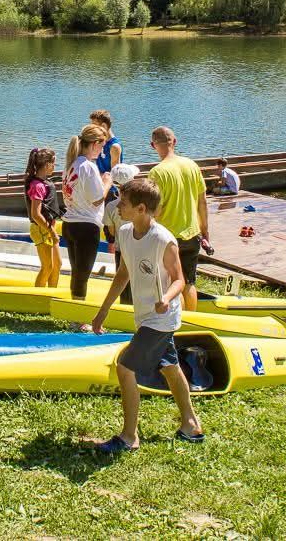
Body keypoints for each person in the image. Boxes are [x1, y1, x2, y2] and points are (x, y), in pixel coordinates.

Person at [90, 178, 204, 453]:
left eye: (123, 202)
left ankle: (129, 437)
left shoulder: (163, 239)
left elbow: (179, 279)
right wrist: (103, 311)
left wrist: (166, 298)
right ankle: (191, 425)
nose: (117, 206)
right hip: (144, 316)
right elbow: (123, 273)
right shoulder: (125, 232)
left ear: (141, 208)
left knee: (125, 367)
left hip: (161, 318)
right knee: (170, 367)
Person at [148, 125, 209, 311]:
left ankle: (177, 320)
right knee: (189, 282)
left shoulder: (157, 172)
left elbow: (156, 210)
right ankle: (192, 319)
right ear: (174, 141)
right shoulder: (192, 165)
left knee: (173, 283)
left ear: (153, 145)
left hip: (167, 237)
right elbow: (202, 202)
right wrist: (205, 231)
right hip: (192, 233)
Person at [62, 123, 113, 323]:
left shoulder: (72, 164)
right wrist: (107, 182)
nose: (102, 151)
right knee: (82, 274)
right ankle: (79, 320)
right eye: (102, 146)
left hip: (70, 223)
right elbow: (97, 199)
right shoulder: (88, 166)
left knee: (77, 271)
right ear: (93, 144)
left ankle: (75, 313)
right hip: (86, 225)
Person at [24, 147, 63, 288]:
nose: (54, 166)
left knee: (57, 265)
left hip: (48, 228)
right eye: (53, 163)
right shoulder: (37, 186)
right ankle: (37, 296)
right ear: (47, 165)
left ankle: (51, 294)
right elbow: (36, 214)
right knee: (47, 267)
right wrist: (52, 232)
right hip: (42, 229)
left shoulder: (44, 182)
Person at [104, 163, 140, 305]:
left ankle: (125, 306)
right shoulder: (140, 204)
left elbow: (111, 231)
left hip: (121, 248)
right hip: (140, 247)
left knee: (122, 282)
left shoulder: (111, 206)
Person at [90, 109, 122, 174]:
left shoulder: (114, 146)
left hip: (108, 180)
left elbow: (114, 175)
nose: (92, 129)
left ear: (104, 126)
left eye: (94, 126)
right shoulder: (97, 142)